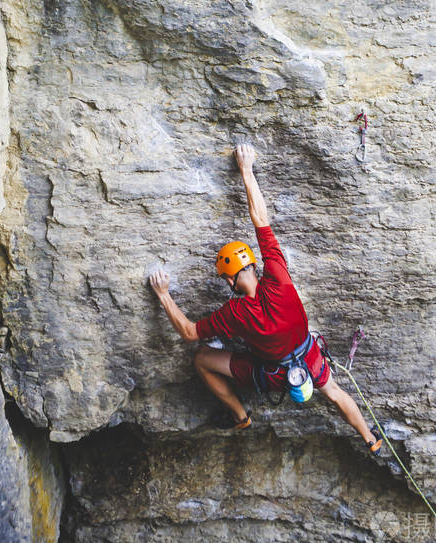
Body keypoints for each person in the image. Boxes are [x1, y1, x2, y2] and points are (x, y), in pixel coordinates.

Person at [149, 143, 382, 452]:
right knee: (336, 392)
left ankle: (240, 416)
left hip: (272, 374)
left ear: (230, 279)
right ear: (254, 265)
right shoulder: (278, 276)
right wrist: (246, 169)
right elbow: (260, 218)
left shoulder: (235, 313)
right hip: (309, 358)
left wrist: (164, 294)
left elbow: (190, 333)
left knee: (203, 359)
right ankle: (370, 438)